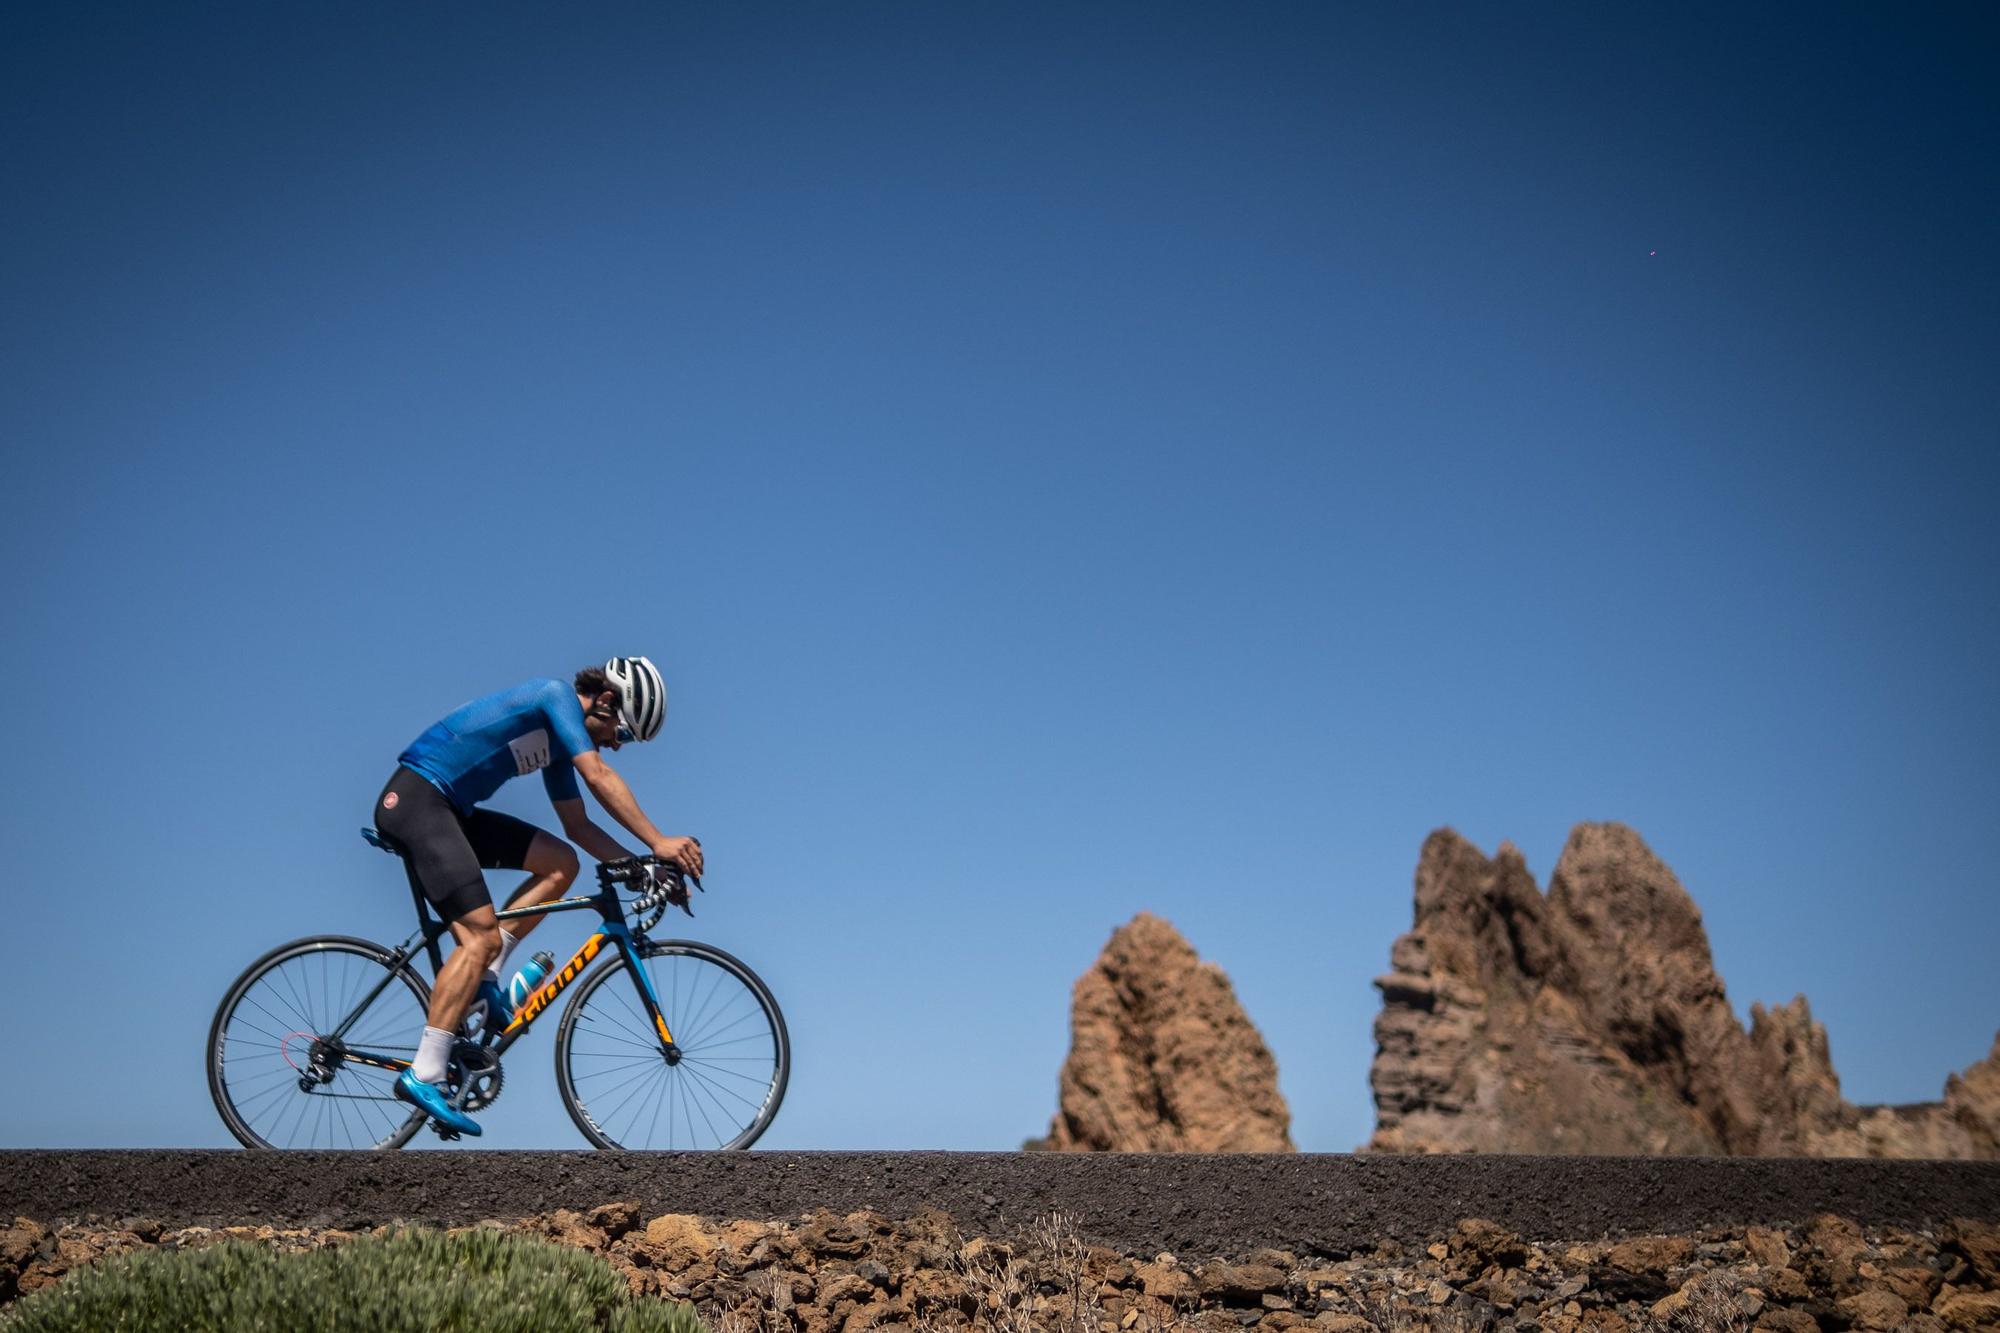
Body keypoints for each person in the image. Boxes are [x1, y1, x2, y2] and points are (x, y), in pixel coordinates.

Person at [371, 656, 701, 1136]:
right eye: (624, 734)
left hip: (450, 809)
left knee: (560, 862)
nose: (617, 746)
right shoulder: (554, 697)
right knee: (477, 938)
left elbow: (578, 826)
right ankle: (424, 1072)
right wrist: (658, 841)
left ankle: (486, 978)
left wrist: (640, 866)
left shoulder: (559, 743)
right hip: (419, 802)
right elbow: (600, 779)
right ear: (607, 702)